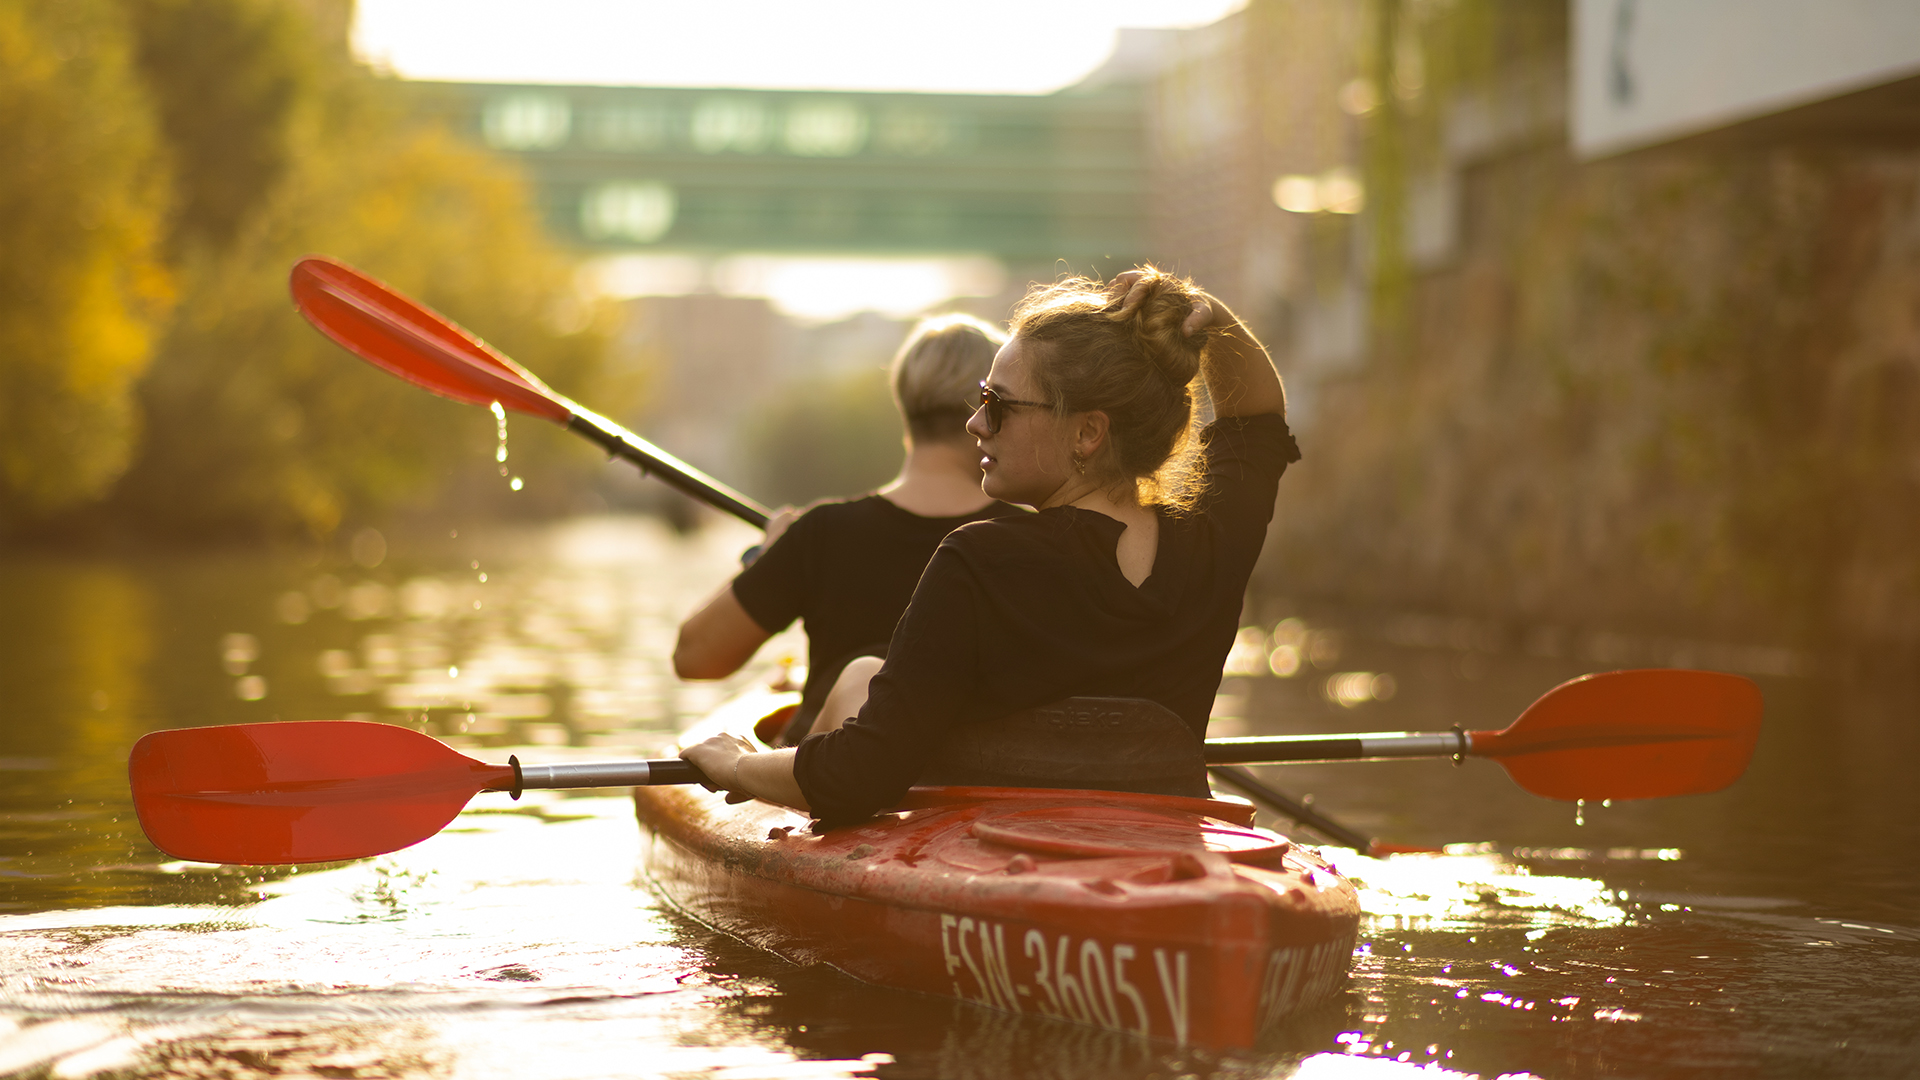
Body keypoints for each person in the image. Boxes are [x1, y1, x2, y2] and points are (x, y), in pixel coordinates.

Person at [682, 267, 1299, 824]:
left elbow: (859, 775)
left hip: (1004, 842)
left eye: (996, 404)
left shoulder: (979, 559)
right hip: (1163, 836)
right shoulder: (1214, 539)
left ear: (1087, 432)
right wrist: (1205, 316)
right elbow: (1258, 418)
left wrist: (738, 763)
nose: (975, 423)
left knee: (862, 677)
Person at [673, 314, 1020, 744]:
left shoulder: (821, 533)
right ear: (992, 410)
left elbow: (694, 659)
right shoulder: (1032, 537)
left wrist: (768, 560)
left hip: (828, 761)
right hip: (971, 779)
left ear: (903, 402)